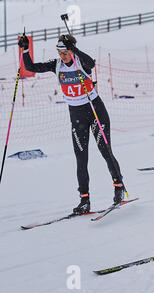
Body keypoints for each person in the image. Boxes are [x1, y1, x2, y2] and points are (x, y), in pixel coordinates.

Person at [18, 34, 125, 213]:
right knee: (81, 158)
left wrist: (74, 49)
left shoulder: (80, 61)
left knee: (105, 150)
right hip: (76, 115)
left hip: (95, 110)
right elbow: (30, 67)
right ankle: (84, 200)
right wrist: (25, 49)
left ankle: (118, 187)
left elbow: (91, 63)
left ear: (71, 49)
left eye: (65, 52)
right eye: (60, 52)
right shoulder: (57, 64)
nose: (63, 56)